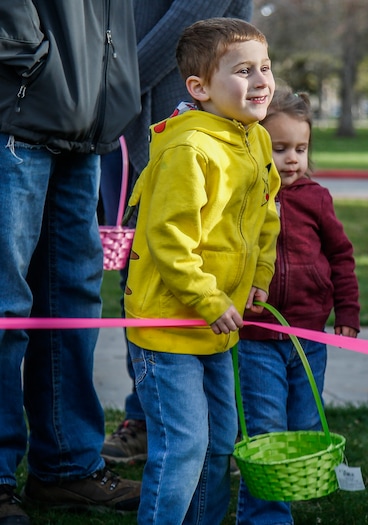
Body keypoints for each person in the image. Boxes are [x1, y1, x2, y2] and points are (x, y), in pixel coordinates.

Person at [123, 17, 279, 524]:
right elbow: (168, 240)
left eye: (265, 67)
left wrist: (258, 277)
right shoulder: (189, 149)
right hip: (167, 328)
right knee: (184, 446)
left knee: (218, 446)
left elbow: (265, 214)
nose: (260, 80)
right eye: (243, 70)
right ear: (200, 88)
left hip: (217, 328)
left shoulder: (254, 139)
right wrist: (210, 299)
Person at [0, 2, 143, 524]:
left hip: (87, 126)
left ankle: (66, 468)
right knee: (5, 308)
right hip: (16, 109)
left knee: (72, 305)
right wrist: (28, 57)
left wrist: (112, 85)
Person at [100, 0, 254, 467]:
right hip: (121, 126)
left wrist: (110, 83)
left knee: (198, 260)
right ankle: (148, 416)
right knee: (139, 268)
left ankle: (199, 425)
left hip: (174, 118)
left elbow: (189, 26)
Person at [235, 85, 361, 525]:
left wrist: (347, 313)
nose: (292, 158)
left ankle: (280, 498)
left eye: (301, 148)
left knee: (305, 427)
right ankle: (264, 517)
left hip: (309, 338)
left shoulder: (316, 199)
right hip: (256, 338)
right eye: (281, 148)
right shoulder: (245, 198)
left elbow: (342, 257)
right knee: (267, 431)